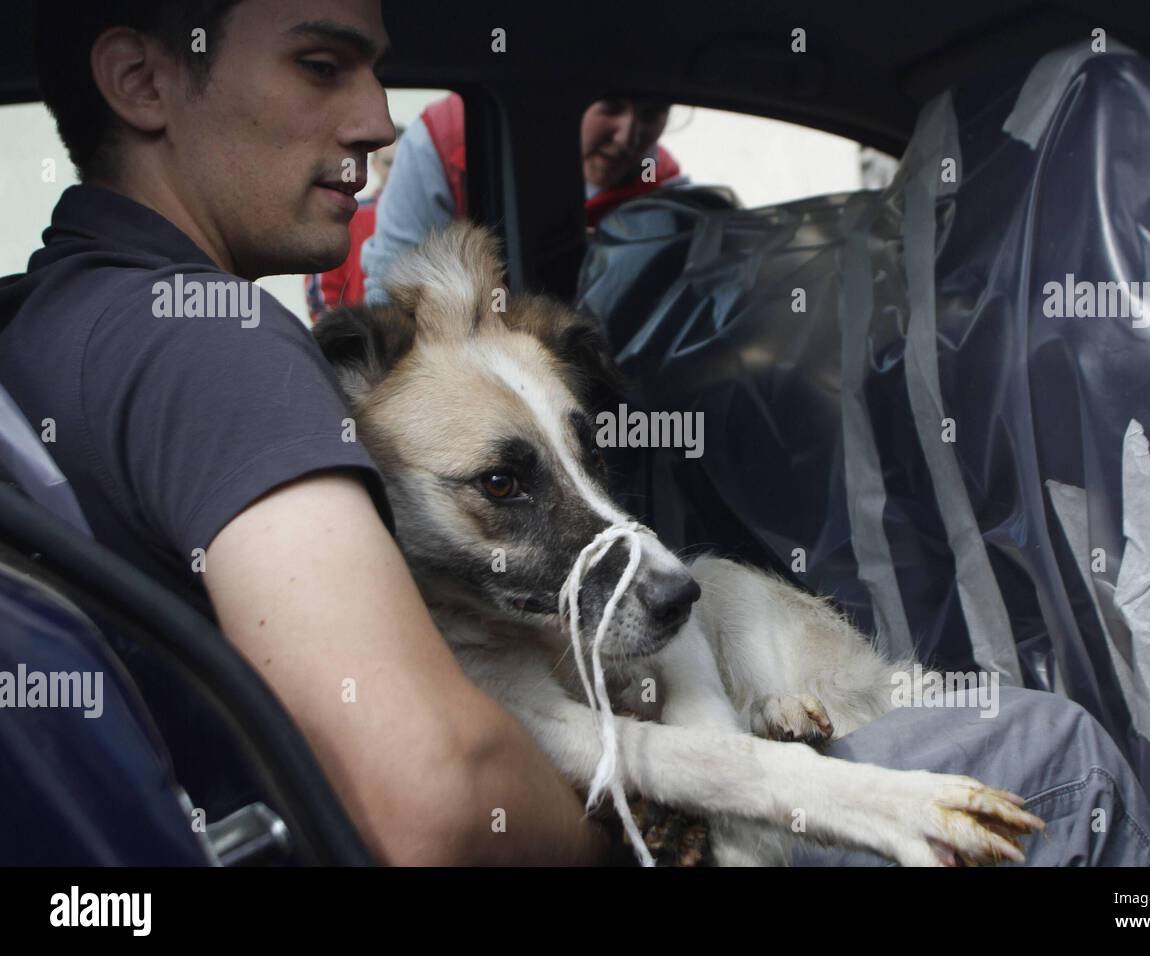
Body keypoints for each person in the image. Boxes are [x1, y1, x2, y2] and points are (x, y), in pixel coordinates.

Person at [0, 0, 613, 865]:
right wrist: (647, 834)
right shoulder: (213, 338)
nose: (377, 119)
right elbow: (435, 796)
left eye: (374, 73)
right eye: (321, 66)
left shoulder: (35, 320)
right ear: (141, 83)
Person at [361, 93, 684, 303]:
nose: (627, 138)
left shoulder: (665, 189)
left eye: (652, 113)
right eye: (611, 106)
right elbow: (394, 286)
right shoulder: (443, 140)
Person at [303, 125, 401, 321]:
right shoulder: (348, 213)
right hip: (357, 340)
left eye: (401, 163)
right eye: (389, 163)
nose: (395, 171)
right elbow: (321, 288)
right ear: (374, 166)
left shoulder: (434, 215)